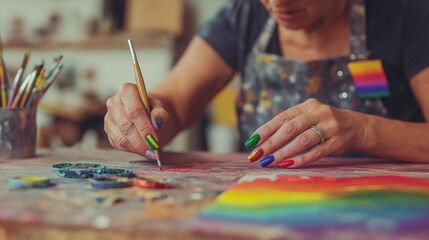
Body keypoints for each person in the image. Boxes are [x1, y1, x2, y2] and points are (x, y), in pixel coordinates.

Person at [104, 0, 429, 168]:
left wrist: (362, 130)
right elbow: (173, 102)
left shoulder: (404, 15)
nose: (277, 3)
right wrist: (138, 116)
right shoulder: (243, 16)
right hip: (263, 207)